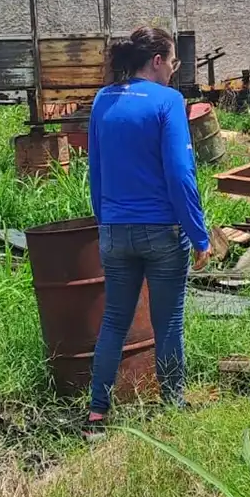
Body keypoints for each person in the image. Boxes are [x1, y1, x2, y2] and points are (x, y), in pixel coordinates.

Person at [84, 25, 211, 441]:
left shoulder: (103, 100)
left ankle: (98, 413)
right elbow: (180, 174)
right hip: (161, 233)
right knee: (168, 322)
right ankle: (171, 405)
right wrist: (199, 234)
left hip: (115, 231)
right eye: (173, 61)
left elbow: (96, 172)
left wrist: (107, 224)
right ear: (157, 61)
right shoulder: (169, 102)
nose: (175, 70)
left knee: (114, 321)